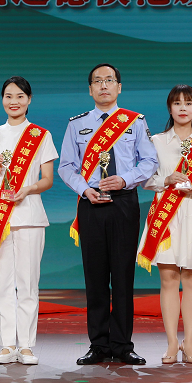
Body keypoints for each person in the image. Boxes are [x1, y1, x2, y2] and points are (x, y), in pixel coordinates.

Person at [58, 63, 158, 365]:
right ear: (90, 89)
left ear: (119, 87)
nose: (104, 85)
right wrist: (84, 189)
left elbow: (150, 161)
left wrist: (125, 179)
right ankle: (99, 344)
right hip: (91, 203)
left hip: (124, 204)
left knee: (123, 276)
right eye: (98, 81)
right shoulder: (76, 124)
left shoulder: (135, 121)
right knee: (96, 276)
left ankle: (123, 344)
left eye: (109, 80)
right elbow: (66, 166)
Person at [136, 85, 192, 364]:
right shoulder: (157, 141)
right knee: (168, 279)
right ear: (170, 108)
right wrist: (166, 180)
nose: (183, 108)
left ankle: (190, 343)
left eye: (188, 103)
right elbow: (144, 178)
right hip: (165, 214)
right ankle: (172, 343)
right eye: (177, 103)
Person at [0, 76, 59, 366]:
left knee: (28, 283)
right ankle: (6, 345)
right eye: (8, 96)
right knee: (2, 283)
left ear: (29, 99)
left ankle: (25, 346)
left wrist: (28, 189)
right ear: (2, 99)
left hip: (30, 217)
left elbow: (47, 180)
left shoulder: (41, 135)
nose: (14, 102)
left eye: (20, 96)